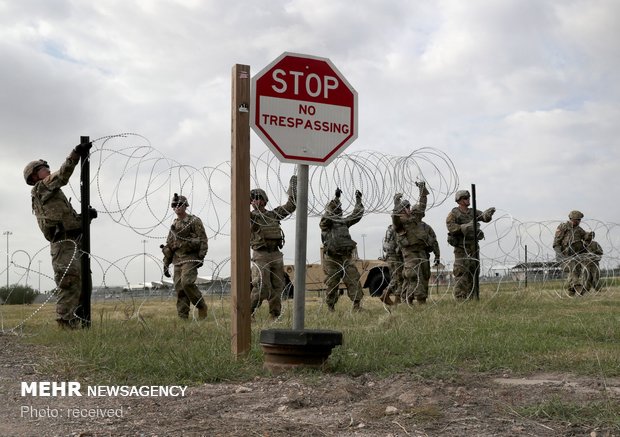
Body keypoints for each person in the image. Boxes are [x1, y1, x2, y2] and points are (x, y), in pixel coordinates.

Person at [24, 142, 95, 328]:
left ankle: (78, 321)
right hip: (63, 243)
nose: (48, 170)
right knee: (69, 282)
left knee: (83, 284)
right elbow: (62, 175)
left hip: (73, 241)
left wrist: (85, 219)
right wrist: (75, 154)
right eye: (43, 168)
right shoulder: (41, 188)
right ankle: (66, 324)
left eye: (47, 167)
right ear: (34, 176)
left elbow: (67, 220)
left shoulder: (54, 194)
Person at [250, 175, 297, 320]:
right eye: (252, 198)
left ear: (264, 200)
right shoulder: (251, 217)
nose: (255, 201)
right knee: (262, 286)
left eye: (257, 197)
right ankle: (249, 312)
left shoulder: (273, 215)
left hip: (276, 254)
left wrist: (293, 186)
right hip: (261, 255)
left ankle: (274, 315)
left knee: (278, 286)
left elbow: (291, 206)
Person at [162, 194, 209, 319]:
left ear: (185, 206)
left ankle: (201, 306)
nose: (176, 208)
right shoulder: (174, 225)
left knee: (187, 283)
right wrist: (166, 264)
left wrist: (201, 256)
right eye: (174, 206)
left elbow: (203, 240)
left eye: (179, 205)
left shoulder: (194, 221)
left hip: (190, 257)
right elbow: (169, 246)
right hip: (177, 260)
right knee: (180, 289)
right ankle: (183, 316)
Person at [446, 190, 495, 300]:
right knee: (461, 273)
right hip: (461, 248)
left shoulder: (473, 212)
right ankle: (461, 299)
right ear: (459, 200)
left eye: (468, 198)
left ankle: (474, 297)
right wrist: (463, 227)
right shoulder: (454, 213)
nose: (468, 200)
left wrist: (488, 214)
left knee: (474, 271)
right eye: (465, 198)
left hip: (473, 247)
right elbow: (451, 227)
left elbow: (483, 217)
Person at [320, 188, 364, 312]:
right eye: (336, 209)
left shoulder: (344, 222)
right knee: (332, 283)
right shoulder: (326, 223)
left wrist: (358, 199)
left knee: (353, 280)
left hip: (346, 257)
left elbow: (357, 214)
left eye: (339, 209)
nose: (339, 211)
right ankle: (330, 307)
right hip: (332, 259)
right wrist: (336, 199)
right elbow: (327, 216)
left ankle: (357, 306)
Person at [391, 182, 433, 304]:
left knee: (425, 274)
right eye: (405, 207)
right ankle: (411, 299)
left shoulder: (415, 219)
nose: (408, 209)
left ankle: (420, 298)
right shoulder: (400, 223)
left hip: (422, 251)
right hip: (409, 253)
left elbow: (422, 205)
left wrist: (422, 190)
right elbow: (394, 217)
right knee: (413, 275)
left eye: (409, 207)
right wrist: (396, 203)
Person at [553, 210, 588, 296]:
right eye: (577, 220)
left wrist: (589, 235)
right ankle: (578, 286)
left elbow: (585, 237)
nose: (579, 221)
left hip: (576, 255)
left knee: (575, 272)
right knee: (573, 269)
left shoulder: (579, 230)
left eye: (580, 220)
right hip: (565, 255)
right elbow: (556, 244)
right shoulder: (563, 227)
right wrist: (560, 256)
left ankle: (571, 293)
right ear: (572, 219)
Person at [379, 223, 404, 306]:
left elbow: (386, 244)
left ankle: (396, 299)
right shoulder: (399, 227)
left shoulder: (389, 229)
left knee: (396, 277)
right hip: (397, 257)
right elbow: (401, 242)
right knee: (399, 278)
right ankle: (388, 296)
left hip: (390, 257)